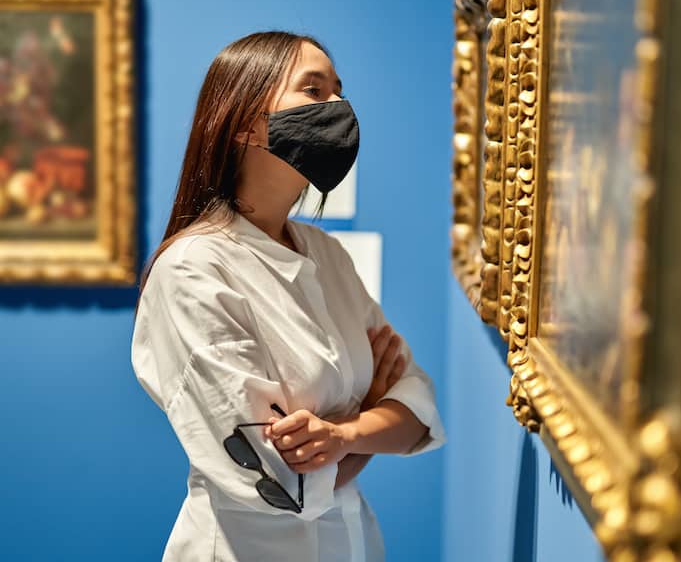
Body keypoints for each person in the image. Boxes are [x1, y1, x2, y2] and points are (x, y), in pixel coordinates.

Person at [130, 30, 446, 562]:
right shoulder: (193, 271)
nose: (339, 109)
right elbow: (278, 484)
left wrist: (344, 436)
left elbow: (418, 408)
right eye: (314, 91)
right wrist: (371, 415)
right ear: (243, 122)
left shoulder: (326, 254)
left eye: (340, 92)